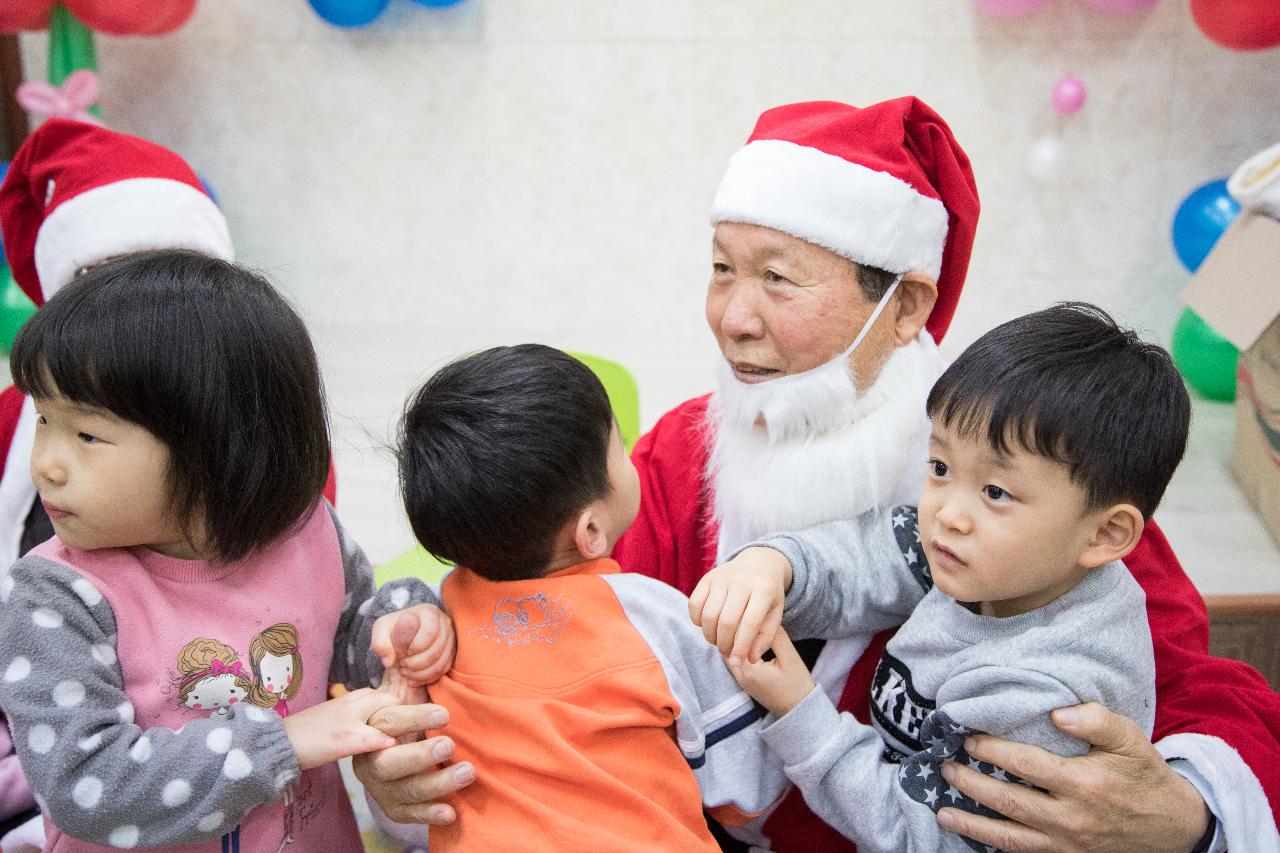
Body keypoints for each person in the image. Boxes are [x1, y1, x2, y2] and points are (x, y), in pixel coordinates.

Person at [610, 97, 1280, 852]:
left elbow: (1208, 691)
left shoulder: (1031, 487)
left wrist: (1184, 813)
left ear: (906, 306)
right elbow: (568, 620)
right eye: (722, 269)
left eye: (778, 278)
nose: (732, 317)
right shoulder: (678, 451)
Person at [688, 303, 1235, 851]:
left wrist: (799, 710)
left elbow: (918, 835)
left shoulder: (1045, 701)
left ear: (1106, 535)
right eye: (941, 468)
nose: (947, 512)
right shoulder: (999, 561)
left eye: (996, 492)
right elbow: (872, 553)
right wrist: (775, 565)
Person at [0, 250, 450, 851]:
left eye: (86, 435)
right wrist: (285, 742)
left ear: (215, 445)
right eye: (44, 421)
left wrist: (403, 633)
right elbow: (89, 785)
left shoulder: (305, 531)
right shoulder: (55, 593)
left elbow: (345, 643)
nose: (46, 465)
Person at [380, 343, 788, 850]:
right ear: (591, 530)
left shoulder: (438, 631)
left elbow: (412, 803)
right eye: (618, 445)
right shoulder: (654, 616)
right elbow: (750, 789)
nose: (628, 450)